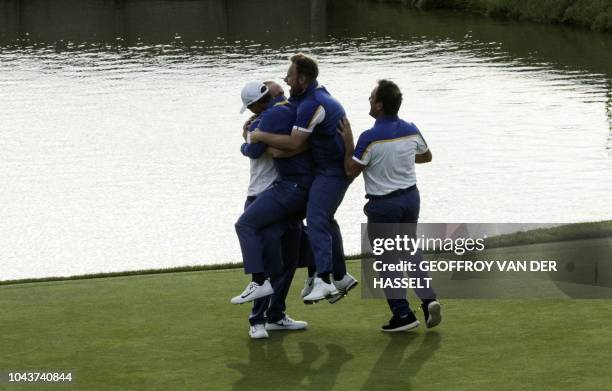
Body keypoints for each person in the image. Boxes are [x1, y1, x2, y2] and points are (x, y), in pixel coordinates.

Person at [251, 54, 357, 303]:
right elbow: (287, 104)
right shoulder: (310, 95)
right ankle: (340, 276)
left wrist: (259, 135)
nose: (286, 80)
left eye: (290, 75)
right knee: (326, 219)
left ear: (304, 78)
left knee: (317, 216)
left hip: (332, 171)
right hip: (326, 168)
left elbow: (294, 142)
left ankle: (324, 278)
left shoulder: (313, 103)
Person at [337, 79, 442, 332]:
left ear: (380, 106)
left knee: (387, 261)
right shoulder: (410, 128)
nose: (370, 101)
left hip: (384, 205)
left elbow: (350, 170)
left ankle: (403, 315)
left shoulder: (369, 138)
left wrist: (348, 141)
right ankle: (429, 300)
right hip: (410, 199)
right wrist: (399, 158)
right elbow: (426, 156)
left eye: (372, 98)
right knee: (409, 251)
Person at [231, 80, 312, 337]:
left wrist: (243, 141)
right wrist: (245, 141)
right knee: (269, 264)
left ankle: (275, 315)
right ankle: (257, 320)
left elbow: (252, 148)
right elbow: (254, 152)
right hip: (261, 197)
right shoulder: (258, 123)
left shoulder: (277, 120)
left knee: (287, 262)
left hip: (284, 197)